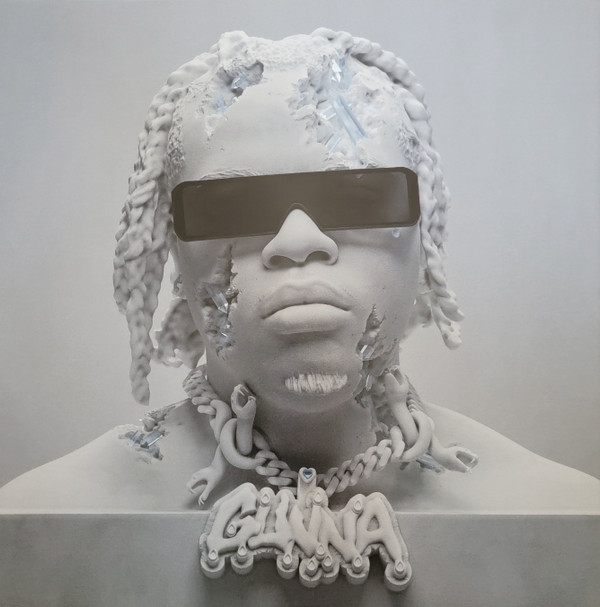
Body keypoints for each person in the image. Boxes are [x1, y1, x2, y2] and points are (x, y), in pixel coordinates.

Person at [0, 29, 597, 516]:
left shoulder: (561, 515)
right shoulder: (39, 519)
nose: (298, 241)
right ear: (170, 247)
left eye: (361, 197)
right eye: (230, 207)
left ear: (426, 239)